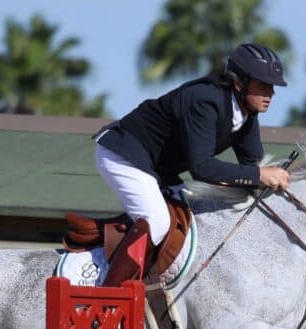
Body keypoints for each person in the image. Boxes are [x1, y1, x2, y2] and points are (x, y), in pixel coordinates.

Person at [93, 42, 291, 284]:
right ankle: (107, 299)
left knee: (194, 218)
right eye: (263, 85)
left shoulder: (247, 117)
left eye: (271, 87)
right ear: (240, 82)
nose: (270, 94)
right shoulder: (205, 101)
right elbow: (202, 168)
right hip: (124, 154)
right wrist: (259, 174)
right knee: (157, 221)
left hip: (157, 168)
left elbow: (254, 165)